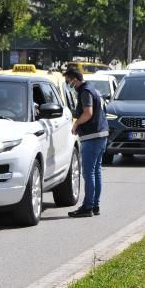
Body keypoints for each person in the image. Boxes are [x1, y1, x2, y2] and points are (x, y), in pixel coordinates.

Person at [63, 67, 109, 218]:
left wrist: (76, 124)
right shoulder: (91, 88)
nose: (67, 83)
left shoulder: (85, 91)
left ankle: (88, 206)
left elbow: (88, 112)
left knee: (89, 172)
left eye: (68, 80)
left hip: (92, 136)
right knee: (96, 171)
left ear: (74, 79)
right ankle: (95, 205)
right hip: (101, 134)